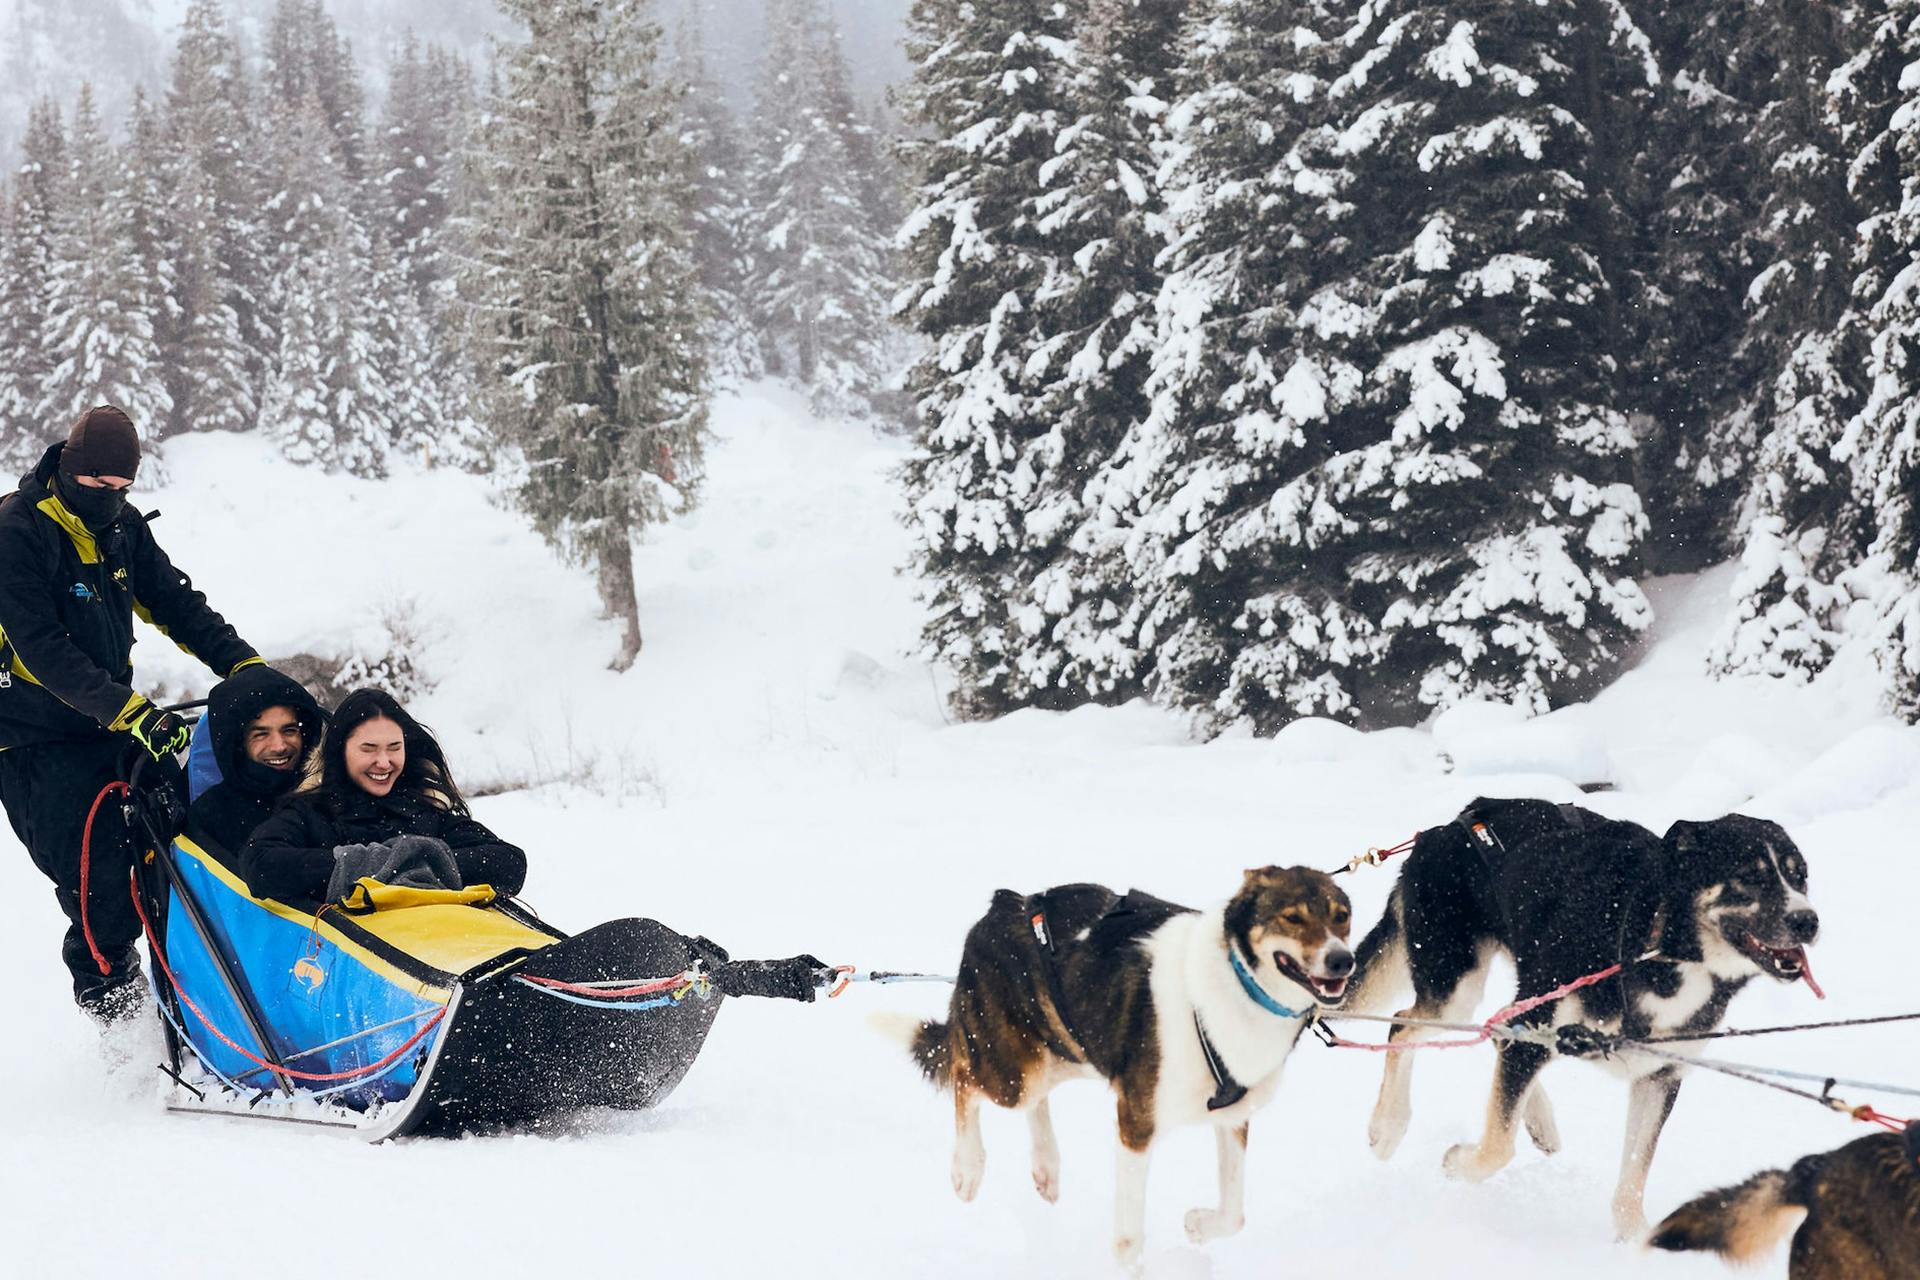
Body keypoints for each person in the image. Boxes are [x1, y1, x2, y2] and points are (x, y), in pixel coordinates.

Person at [0, 406, 265, 1023]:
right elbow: (40, 650)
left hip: (110, 726)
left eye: (122, 489)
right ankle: (121, 1033)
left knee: (193, 842)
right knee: (100, 891)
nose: (108, 499)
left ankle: (211, 999)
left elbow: (175, 604)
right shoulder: (18, 529)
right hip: (36, 741)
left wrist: (249, 669)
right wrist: (134, 712)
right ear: (68, 469)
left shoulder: (122, 527)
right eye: (96, 487)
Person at [241, 688, 527, 904]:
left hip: (443, 949)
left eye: (393, 747)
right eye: (368, 749)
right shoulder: (310, 811)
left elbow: (509, 862)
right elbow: (260, 864)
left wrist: (414, 862)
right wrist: (373, 865)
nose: (384, 762)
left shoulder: (423, 808)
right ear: (340, 752)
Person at [187, 665, 325, 855]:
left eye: (289, 731)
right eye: (261, 734)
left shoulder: (329, 794)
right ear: (238, 744)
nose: (279, 746)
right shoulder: (210, 815)